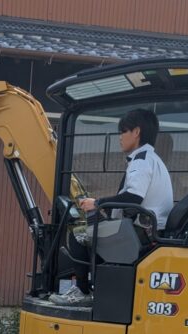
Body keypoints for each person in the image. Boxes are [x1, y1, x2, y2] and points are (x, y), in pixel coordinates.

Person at [53, 108, 174, 305]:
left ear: (136, 132)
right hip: (147, 228)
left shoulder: (140, 162)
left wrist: (97, 203)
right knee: (96, 235)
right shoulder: (154, 160)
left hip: (140, 231)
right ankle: (100, 289)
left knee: (78, 235)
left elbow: (133, 197)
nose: (120, 137)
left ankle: (83, 293)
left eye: (122, 131)